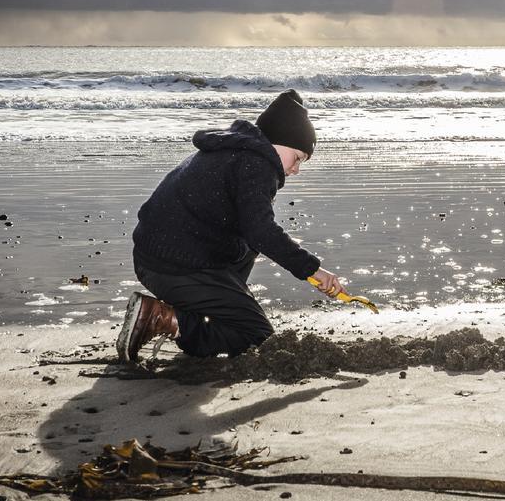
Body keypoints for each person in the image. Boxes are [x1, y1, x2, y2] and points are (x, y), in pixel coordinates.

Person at [116, 89, 348, 364]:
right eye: (297, 157)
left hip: (156, 256)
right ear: (277, 141)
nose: (296, 169)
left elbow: (251, 231)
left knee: (247, 244)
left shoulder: (234, 150)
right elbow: (261, 231)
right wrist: (312, 269)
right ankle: (162, 318)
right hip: (175, 266)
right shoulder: (257, 164)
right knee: (255, 336)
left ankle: (215, 309)